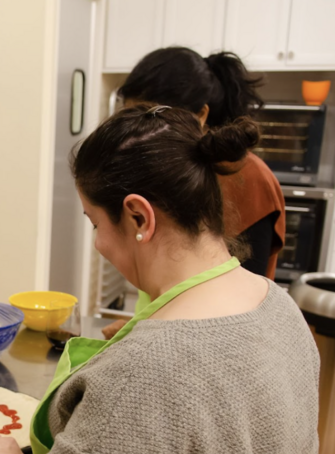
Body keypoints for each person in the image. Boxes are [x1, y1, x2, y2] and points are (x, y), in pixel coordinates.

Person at [0, 105, 318, 454]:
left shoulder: (151, 370)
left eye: (95, 223)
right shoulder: (278, 306)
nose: (97, 243)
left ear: (139, 218)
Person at [101, 47, 287, 340]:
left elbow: (238, 301)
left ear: (201, 114)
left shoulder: (251, 178)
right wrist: (140, 325)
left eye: (152, 122)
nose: (138, 137)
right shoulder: (162, 169)